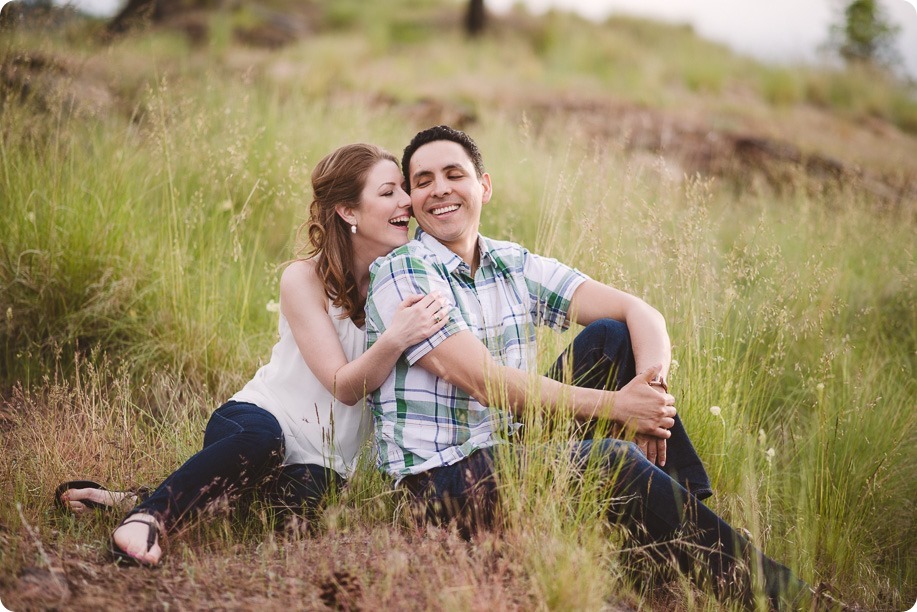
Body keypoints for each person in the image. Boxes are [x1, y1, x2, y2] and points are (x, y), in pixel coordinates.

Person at [364, 126, 812, 609]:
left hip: (510, 446)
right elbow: (484, 382)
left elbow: (640, 311)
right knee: (609, 460)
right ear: (412, 197)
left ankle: (686, 519)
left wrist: (650, 391)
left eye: (455, 174)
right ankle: (786, 598)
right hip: (441, 485)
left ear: (484, 186)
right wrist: (620, 408)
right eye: (424, 180)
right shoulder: (405, 269)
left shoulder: (509, 262)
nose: (441, 189)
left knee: (612, 338)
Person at [56, 143, 449, 566]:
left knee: (293, 510)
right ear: (348, 212)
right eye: (389, 192)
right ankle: (146, 519)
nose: (407, 201)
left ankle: (133, 497)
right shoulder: (304, 278)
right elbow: (343, 386)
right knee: (264, 444)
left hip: (327, 461)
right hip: (260, 418)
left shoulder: (404, 280)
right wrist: (394, 339)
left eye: (404, 190)